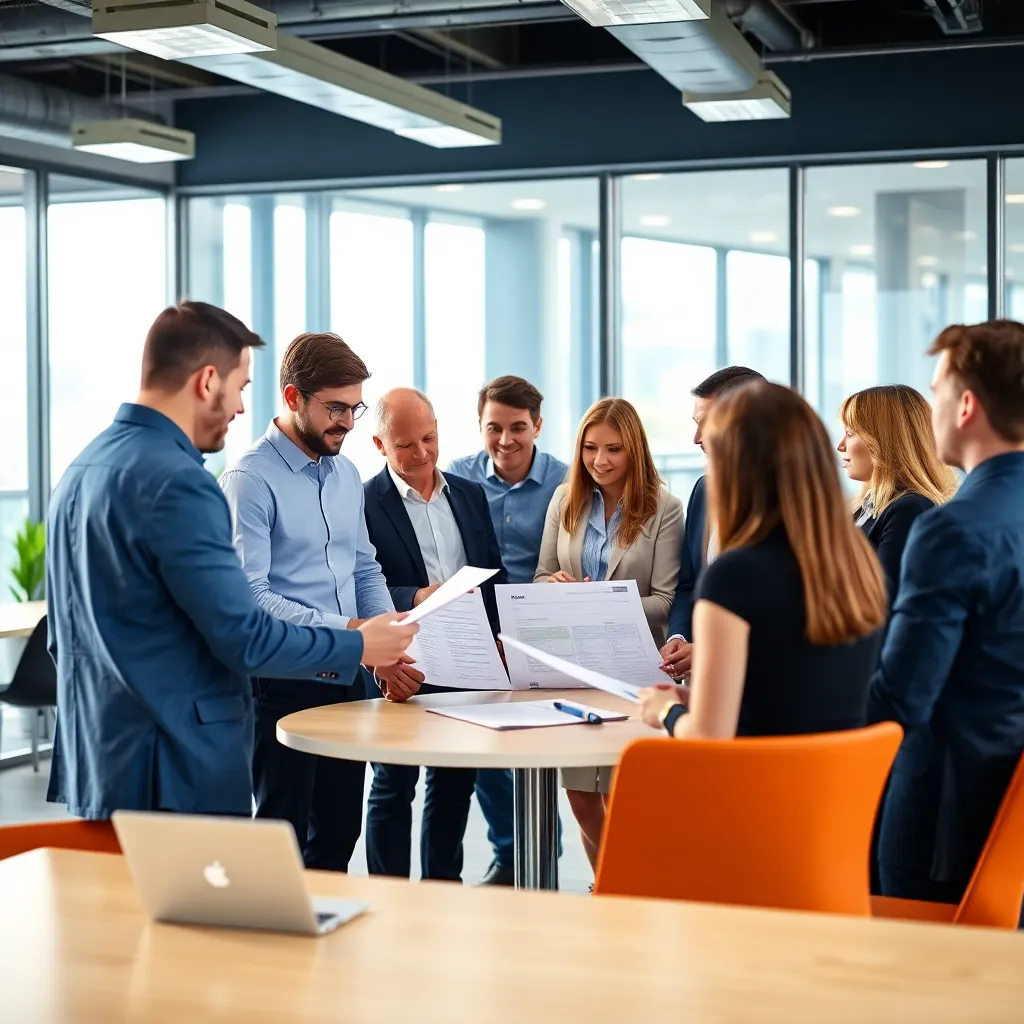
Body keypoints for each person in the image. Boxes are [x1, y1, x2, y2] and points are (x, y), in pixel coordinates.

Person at [45, 302, 416, 821]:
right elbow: (244, 633)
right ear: (206, 381)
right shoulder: (180, 482)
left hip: (102, 756)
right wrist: (358, 642)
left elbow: (60, 638)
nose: (242, 409)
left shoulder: (81, 469)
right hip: (175, 760)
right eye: (240, 388)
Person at [220, 332, 422, 872]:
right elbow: (252, 599)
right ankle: (271, 952)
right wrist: (355, 635)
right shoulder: (248, 479)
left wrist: (386, 643)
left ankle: (321, 948)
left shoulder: (345, 473)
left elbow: (363, 566)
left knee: (338, 831)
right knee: (282, 836)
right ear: (292, 398)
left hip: (346, 682)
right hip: (280, 685)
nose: (348, 424)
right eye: (335, 409)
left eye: (354, 409)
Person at [868, 320, 1024, 906]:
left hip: (944, 822)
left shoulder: (951, 530)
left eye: (934, 390)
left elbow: (900, 700)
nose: (928, 404)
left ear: (965, 406)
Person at [639, 383, 886, 747]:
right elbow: (799, 702)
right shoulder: (857, 564)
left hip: (758, 794)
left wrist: (664, 710)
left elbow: (709, 737)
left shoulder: (733, 577)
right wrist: (702, 704)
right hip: (840, 796)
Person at [363, 388, 508, 882]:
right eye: (405, 444)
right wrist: (414, 596)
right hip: (401, 659)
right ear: (380, 444)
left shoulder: (469, 495)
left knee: (453, 784)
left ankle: (442, 889)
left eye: (429, 437)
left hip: (466, 660)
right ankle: (389, 892)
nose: (422, 453)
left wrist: (501, 639)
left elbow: (495, 574)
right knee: (393, 784)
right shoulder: (363, 503)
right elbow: (362, 580)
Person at [536, 397, 682, 872]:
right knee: (579, 794)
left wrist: (597, 605)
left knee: (624, 791)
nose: (600, 461)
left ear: (634, 451)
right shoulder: (565, 499)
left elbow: (665, 601)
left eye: (614, 449)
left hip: (634, 669)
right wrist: (556, 587)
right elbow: (541, 577)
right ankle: (612, 886)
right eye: (590, 448)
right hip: (574, 669)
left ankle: (628, 886)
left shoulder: (665, 508)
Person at [448, 375, 568, 886]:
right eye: (493, 428)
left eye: (518, 427)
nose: (505, 440)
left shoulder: (566, 482)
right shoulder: (458, 478)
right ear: (480, 427)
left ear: (537, 426)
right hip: (477, 629)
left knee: (538, 744)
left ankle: (545, 844)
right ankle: (510, 850)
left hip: (542, 625)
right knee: (485, 749)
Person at [660, 367, 766, 681]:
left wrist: (706, 649)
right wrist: (678, 638)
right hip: (706, 680)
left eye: (707, 424)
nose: (696, 439)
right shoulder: (703, 490)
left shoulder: (790, 503)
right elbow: (690, 583)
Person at [837, 385, 958, 597]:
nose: (840, 445)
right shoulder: (866, 507)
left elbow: (881, 599)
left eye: (850, 433)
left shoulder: (909, 509)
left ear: (884, 440)